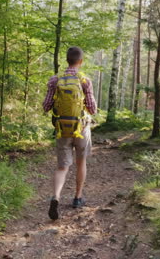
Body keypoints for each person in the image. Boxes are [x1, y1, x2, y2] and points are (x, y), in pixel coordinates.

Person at [42, 46, 97, 220]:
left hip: (62, 129)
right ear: (80, 61)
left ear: (67, 60)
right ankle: (77, 198)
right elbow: (93, 109)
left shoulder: (55, 79)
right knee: (81, 162)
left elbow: (46, 106)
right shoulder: (84, 80)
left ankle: (56, 197)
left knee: (62, 167)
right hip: (81, 129)